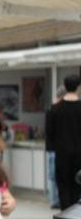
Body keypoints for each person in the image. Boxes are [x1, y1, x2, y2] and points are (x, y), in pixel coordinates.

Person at [46, 74, 81, 210]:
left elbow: (49, 133)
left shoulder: (54, 110)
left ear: (65, 87)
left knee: (63, 185)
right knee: (77, 186)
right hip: (79, 155)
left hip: (61, 154)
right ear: (78, 87)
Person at [45, 86, 66, 209]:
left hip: (53, 148)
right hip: (56, 148)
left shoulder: (51, 109)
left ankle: (54, 199)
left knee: (52, 175)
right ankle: (55, 199)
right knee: (54, 175)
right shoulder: (55, 110)